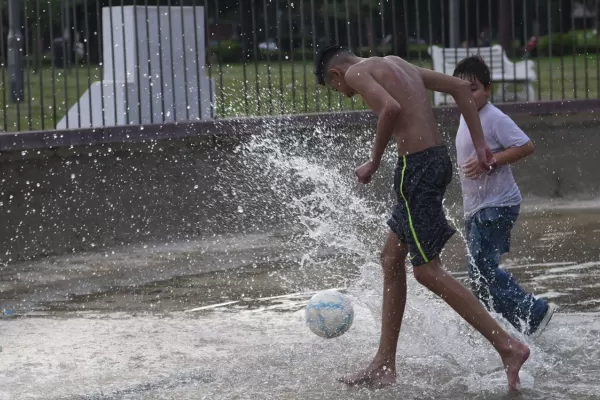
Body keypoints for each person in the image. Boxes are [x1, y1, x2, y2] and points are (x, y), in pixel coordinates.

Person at [313, 45, 530, 391]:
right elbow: (459, 89)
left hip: (416, 169)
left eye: (337, 89)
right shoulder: (396, 61)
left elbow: (389, 108)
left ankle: (508, 347)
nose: (347, 93)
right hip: (432, 162)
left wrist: (373, 161)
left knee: (427, 270)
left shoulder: (355, 73)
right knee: (390, 258)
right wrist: (480, 143)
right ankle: (383, 364)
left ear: (336, 74)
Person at [452, 55, 556, 337]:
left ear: (487, 90)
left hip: (497, 205)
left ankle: (534, 313)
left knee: (482, 268)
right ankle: (501, 326)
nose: (467, 95)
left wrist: (492, 160)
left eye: (473, 89)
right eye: (459, 90)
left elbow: (525, 145)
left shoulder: (494, 117)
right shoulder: (466, 117)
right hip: (477, 208)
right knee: (479, 274)